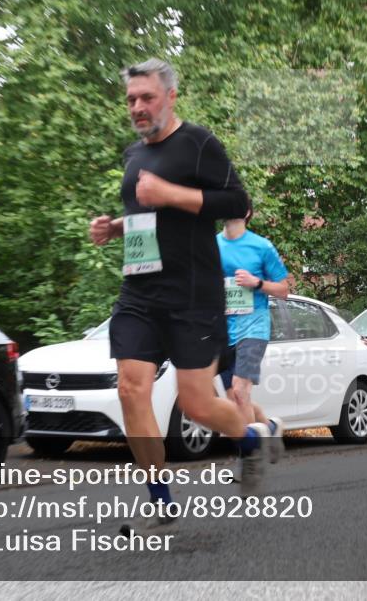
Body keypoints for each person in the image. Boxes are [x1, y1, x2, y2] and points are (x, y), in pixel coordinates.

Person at [89, 59, 271, 533]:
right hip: (139, 291)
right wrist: (116, 226)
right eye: (131, 99)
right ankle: (160, 500)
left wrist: (172, 194)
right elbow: (148, 215)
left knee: (196, 405)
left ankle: (251, 439)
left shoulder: (198, 143)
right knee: (130, 388)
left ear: (170, 97)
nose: (137, 107)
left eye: (147, 97)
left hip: (192, 295)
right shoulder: (134, 154)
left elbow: (236, 202)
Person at [217, 200, 290, 465]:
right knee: (235, 399)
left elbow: (283, 289)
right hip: (221, 330)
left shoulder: (261, 246)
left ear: (247, 212)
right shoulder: (211, 245)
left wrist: (256, 283)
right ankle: (269, 428)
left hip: (254, 327)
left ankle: (248, 458)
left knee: (239, 391)